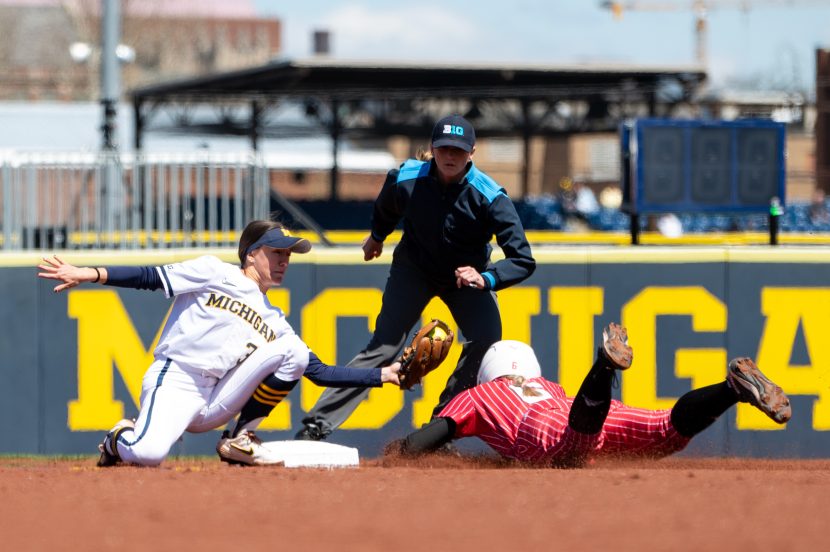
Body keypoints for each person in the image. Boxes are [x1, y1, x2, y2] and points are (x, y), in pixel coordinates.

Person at [37, 220, 401, 467]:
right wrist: (90, 273)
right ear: (251, 254)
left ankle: (241, 438)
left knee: (294, 351)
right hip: (176, 379)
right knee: (149, 454)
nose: (284, 261)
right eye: (277, 253)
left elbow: (318, 372)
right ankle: (119, 437)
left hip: (217, 398)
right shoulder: (215, 272)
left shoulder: (274, 319)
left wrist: (383, 374)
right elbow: (151, 276)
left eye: (288, 255)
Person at [295, 114, 536, 441]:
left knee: (487, 342)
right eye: (444, 149)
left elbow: (523, 259)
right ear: (433, 149)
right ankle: (316, 425)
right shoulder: (407, 178)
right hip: (414, 269)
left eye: (459, 151)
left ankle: (440, 426)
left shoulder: (490, 196)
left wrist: (487, 278)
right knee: (383, 347)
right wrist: (377, 236)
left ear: (472, 152)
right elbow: (386, 206)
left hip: (466, 278)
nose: (451, 157)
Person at [389, 323, 792, 467]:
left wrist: (402, 451)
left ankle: (603, 366)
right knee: (665, 432)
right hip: (568, 405)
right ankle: (730, 389)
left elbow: (431, 435)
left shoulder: (479, 395)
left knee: (574, 444)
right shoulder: (547, 386)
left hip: (547, 427)